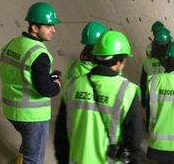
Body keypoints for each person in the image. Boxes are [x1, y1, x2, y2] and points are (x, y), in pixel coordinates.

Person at [55, 31, 143, 163]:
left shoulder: (73, 85)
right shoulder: (127, 91)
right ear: (119, 62)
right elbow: (133, 142)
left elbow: (61, 134)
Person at [0, 2, 62, 164]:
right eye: (48, 26)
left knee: (27, 148)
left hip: (12, 111)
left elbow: (22, 73)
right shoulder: (39, 54)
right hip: (32, 116)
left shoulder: (13, 43)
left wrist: (47, 78)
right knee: (34, 159)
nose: (53, 30)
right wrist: (57, 85)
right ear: (34, 28)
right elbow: (45, 89)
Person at [140, 27, 172, 114]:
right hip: (166, 98)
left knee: (150, 123)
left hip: (150, 97)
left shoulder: (147, 62)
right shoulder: (171, 62)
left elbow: (143, 82)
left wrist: (143, 97)